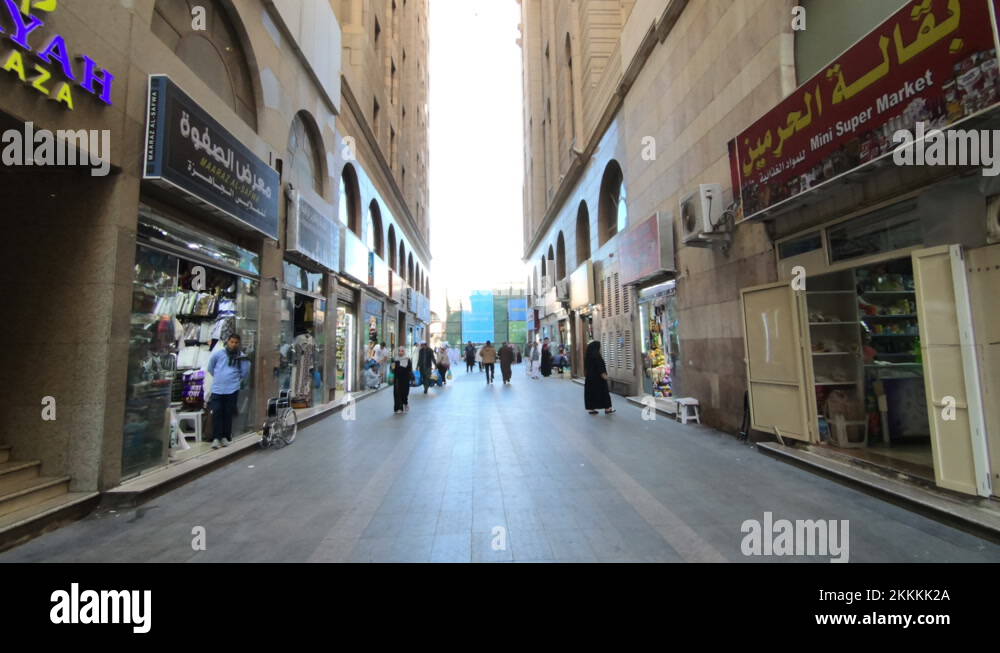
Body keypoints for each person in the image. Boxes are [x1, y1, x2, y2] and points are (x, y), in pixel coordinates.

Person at [206, 333, 251, 448]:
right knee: (217, 412)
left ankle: (225, 437)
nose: (234, 344)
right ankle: (216, 438)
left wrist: (236, 381)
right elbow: (211, 368)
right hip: (217, 389)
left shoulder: (241, 357)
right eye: (232, 342)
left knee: (227, 413)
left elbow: (245, 372)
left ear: (239, 344)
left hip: (232, 389)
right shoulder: (218, 354)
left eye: (236, 342)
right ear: (228, 342)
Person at [584, 340, 615, 415]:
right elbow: (600, 368)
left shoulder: (588, 356)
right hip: (598, 380)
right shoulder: (597, 357)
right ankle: (608, 409)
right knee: (604, 394)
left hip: (590, 379)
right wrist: (606, 377)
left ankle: (591, 409)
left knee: (591, 394)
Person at [392, 346, 413, 413]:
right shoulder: (395, 359)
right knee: (397, 393)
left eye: (402, 351)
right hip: (397, 379)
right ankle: (399, 408)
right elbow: (392, 369)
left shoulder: (407, 359)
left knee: (404, 392)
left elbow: (410, 369)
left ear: (404, 352)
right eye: (399, 351)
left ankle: (405, 403)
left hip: (405, 379)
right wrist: (392, 367)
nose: (400, 352)